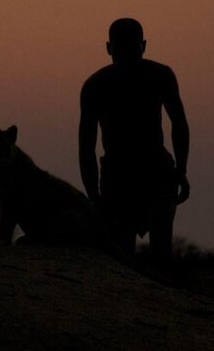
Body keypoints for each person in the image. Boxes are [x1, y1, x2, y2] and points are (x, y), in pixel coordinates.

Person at [79, 18, 190, 261]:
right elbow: (86, 144)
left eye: (131, 48)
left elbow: (180, 125)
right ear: (109, 48)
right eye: (122, 49)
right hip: (120, 178)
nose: (127, 56)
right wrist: (92, 192)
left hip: (154, 173)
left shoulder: (157, 76)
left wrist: (180, 171)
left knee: (153, 255)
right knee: (124, 254)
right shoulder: (97, 86)